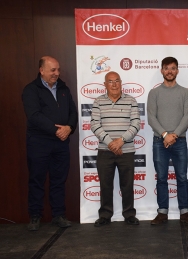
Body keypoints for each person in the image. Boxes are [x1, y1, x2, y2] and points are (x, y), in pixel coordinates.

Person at [22, 56, 78, 231]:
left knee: (59, 180)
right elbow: (34, 116)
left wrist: (69, 127)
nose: (57, 73)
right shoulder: (31, 90)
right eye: (53, 70)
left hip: (60, 144)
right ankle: (35, 216)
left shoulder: (63, 88)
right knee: (37, 180)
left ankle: (59, 215)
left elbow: (73, 113)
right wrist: (57, 131)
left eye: (58, 70)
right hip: (39, 143)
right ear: (42, 70)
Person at [147, 57, 188, 225]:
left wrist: (173, 135)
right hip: (159, 141)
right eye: (166, 68)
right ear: (161, 70)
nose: (169, 71)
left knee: (182, 177)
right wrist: (164, 134)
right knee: (161, 177)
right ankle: (162, 212)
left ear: (177, 71)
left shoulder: (184, 92)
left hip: (179, 140)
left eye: (173, 68)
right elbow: (151, 118)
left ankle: (184, 211)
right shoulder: (154, 93)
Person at [90, 71, 140, 227]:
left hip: (127, 150)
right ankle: (105, 215)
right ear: (105, 85)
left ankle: (129, 214)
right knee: (105, 184)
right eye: (110, 81)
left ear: (121, 82)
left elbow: (136, 124)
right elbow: (95, 125)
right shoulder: (98, 102)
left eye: (117, 81)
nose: (114, 84)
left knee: (127, 184)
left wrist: (121, 141)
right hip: (105, 151)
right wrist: (111, 143)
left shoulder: (131, 100)